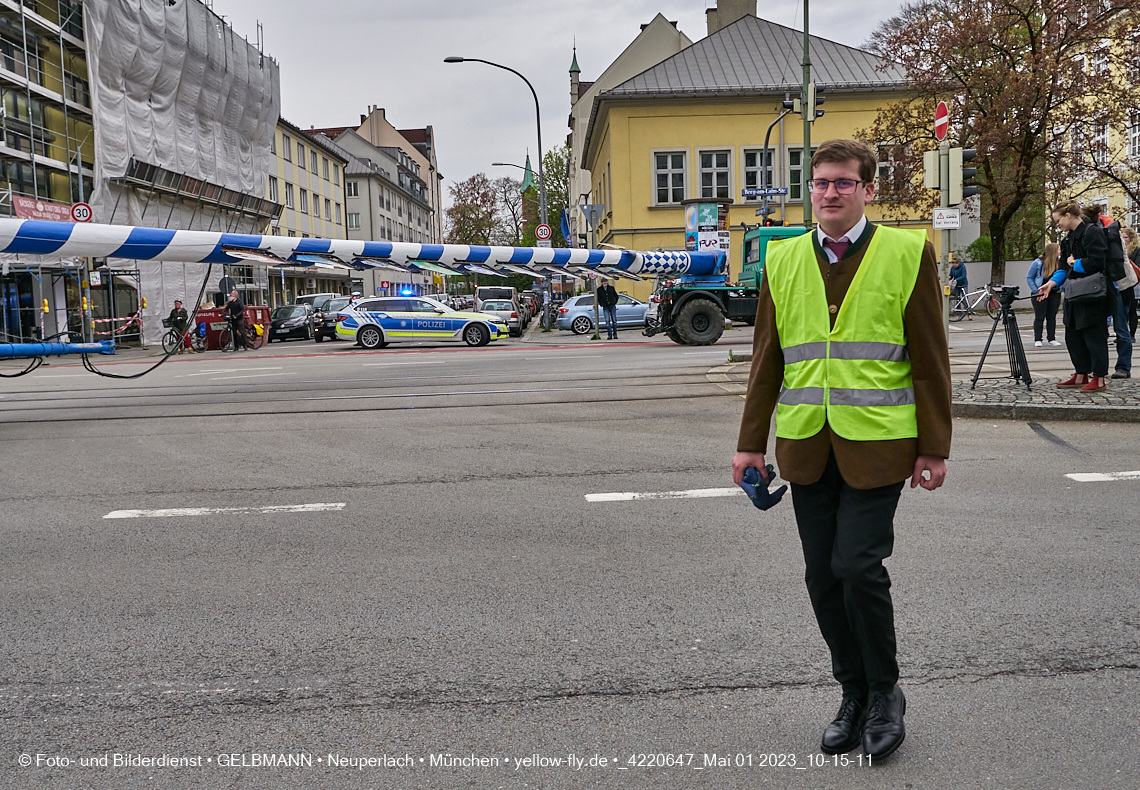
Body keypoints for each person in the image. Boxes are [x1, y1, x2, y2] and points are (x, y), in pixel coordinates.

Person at [732, 139, 952, 763]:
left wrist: (934, 446)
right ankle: (851, 693)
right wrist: (751, 444)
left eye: (843, 183)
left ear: (867, 189)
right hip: (805, 445)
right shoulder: (783, 259)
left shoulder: (908, 253)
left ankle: (886, 693)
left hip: (880, 446)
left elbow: (930, 362)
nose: (830, 192)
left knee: (857, 567)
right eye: (821, 182)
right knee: (823, 578)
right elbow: (766, 361)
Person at [1038, 201, 1110, 391]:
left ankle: (1099, 377)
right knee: (1073, 335)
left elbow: (1098, 262)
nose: (1057, 224)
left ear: (1068, 215)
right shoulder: (1068, 239)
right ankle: (1081, 374)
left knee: (1094, 336)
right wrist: (1051, 284)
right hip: (1074, 294)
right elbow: (1063, 267)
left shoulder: (1092, 233)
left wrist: (1074, 264)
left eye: (1058, 220)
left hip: (1094, 295)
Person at [1082, 205, 1131, 379]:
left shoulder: (1106, 233)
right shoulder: (1106, 230)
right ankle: (1113, 368)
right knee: (1110, 329)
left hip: (1114, 286)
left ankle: (1121, 367)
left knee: (1118, 329)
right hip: (1108, 285)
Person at [1027, 243, 1062, 347]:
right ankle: (1038, 339)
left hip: (1054, 293)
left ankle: (1051, 338)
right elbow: (1029, 277)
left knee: (1051, 317)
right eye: (1059, 250)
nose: (1060, 252)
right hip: (1040, 293)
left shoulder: (1060, 263)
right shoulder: (1038, 263)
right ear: (1053, 251)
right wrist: (1036, 292)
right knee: (1039, 317)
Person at [1124, 226, 1140, 341]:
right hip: (1124, 280)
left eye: (1125, 237)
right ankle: (1124, 333)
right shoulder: (1119, 249)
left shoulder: (1137, 250)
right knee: (1124, 309)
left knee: (1132, 308)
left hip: (1135, 281)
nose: (1123, 239)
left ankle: (1132, 334)